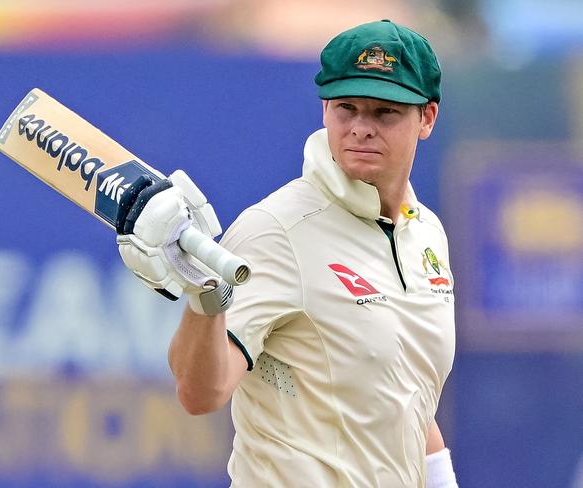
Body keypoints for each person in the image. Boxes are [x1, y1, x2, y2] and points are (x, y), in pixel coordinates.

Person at [116, 19, 458, 488]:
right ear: (324, 110)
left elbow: (406, 401)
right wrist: (204, 295)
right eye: (347, 108)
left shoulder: (427, 236)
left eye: (385, 112)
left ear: (427, 118)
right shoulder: (276, 230)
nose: (361, 128)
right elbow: (201, 392)